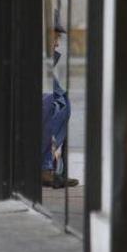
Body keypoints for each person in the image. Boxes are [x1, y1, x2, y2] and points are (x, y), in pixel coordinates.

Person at [42, 23, 79, 188]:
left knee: (61, 103)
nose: (57, 43)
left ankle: (52, 168)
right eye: (54, 37)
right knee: (56, 104)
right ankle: (46, 168)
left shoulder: (49, 60)